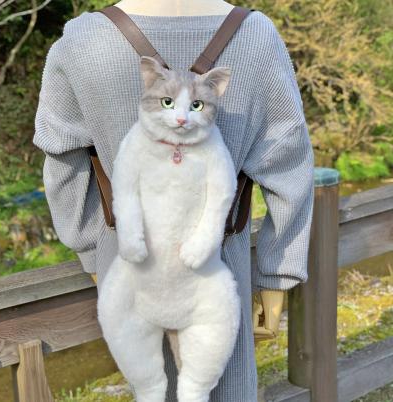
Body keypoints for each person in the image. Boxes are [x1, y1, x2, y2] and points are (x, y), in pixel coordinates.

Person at [32, 0, 315, 400]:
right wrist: (276, 276)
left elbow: (62, 159)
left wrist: (93, 256)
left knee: (149, 383)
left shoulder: (82, 40)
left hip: (126, 265)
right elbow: (289, 164)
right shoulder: (257, 37)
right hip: (220, 266)